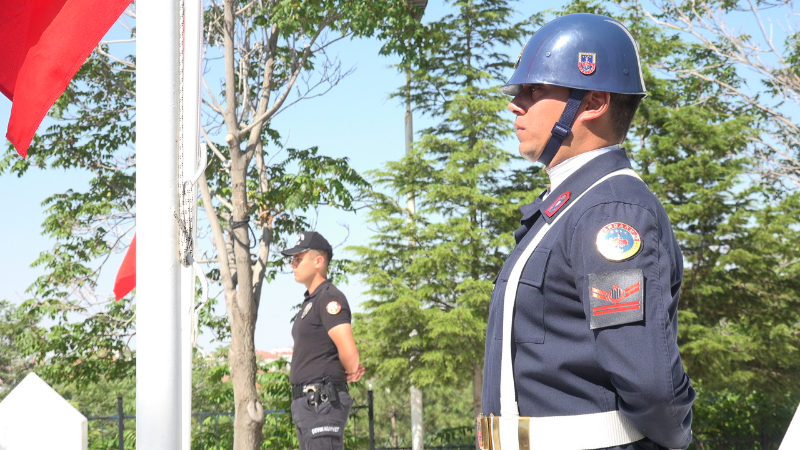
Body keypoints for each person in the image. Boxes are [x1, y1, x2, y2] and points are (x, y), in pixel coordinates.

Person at [478, 13, 696, 450]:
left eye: (535, 89)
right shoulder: (568, 206)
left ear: (594, 102)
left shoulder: (610, 211)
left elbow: (651, 383)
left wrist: (676, 439)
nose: (515, 104)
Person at [282, 231, 365, 450]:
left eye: (299, 259)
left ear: (318, 261)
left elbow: (349, 351)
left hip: (321, 403)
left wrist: (350, 370)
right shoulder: (312, 300)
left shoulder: (329, 297)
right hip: (309, 406)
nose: (293, 264)